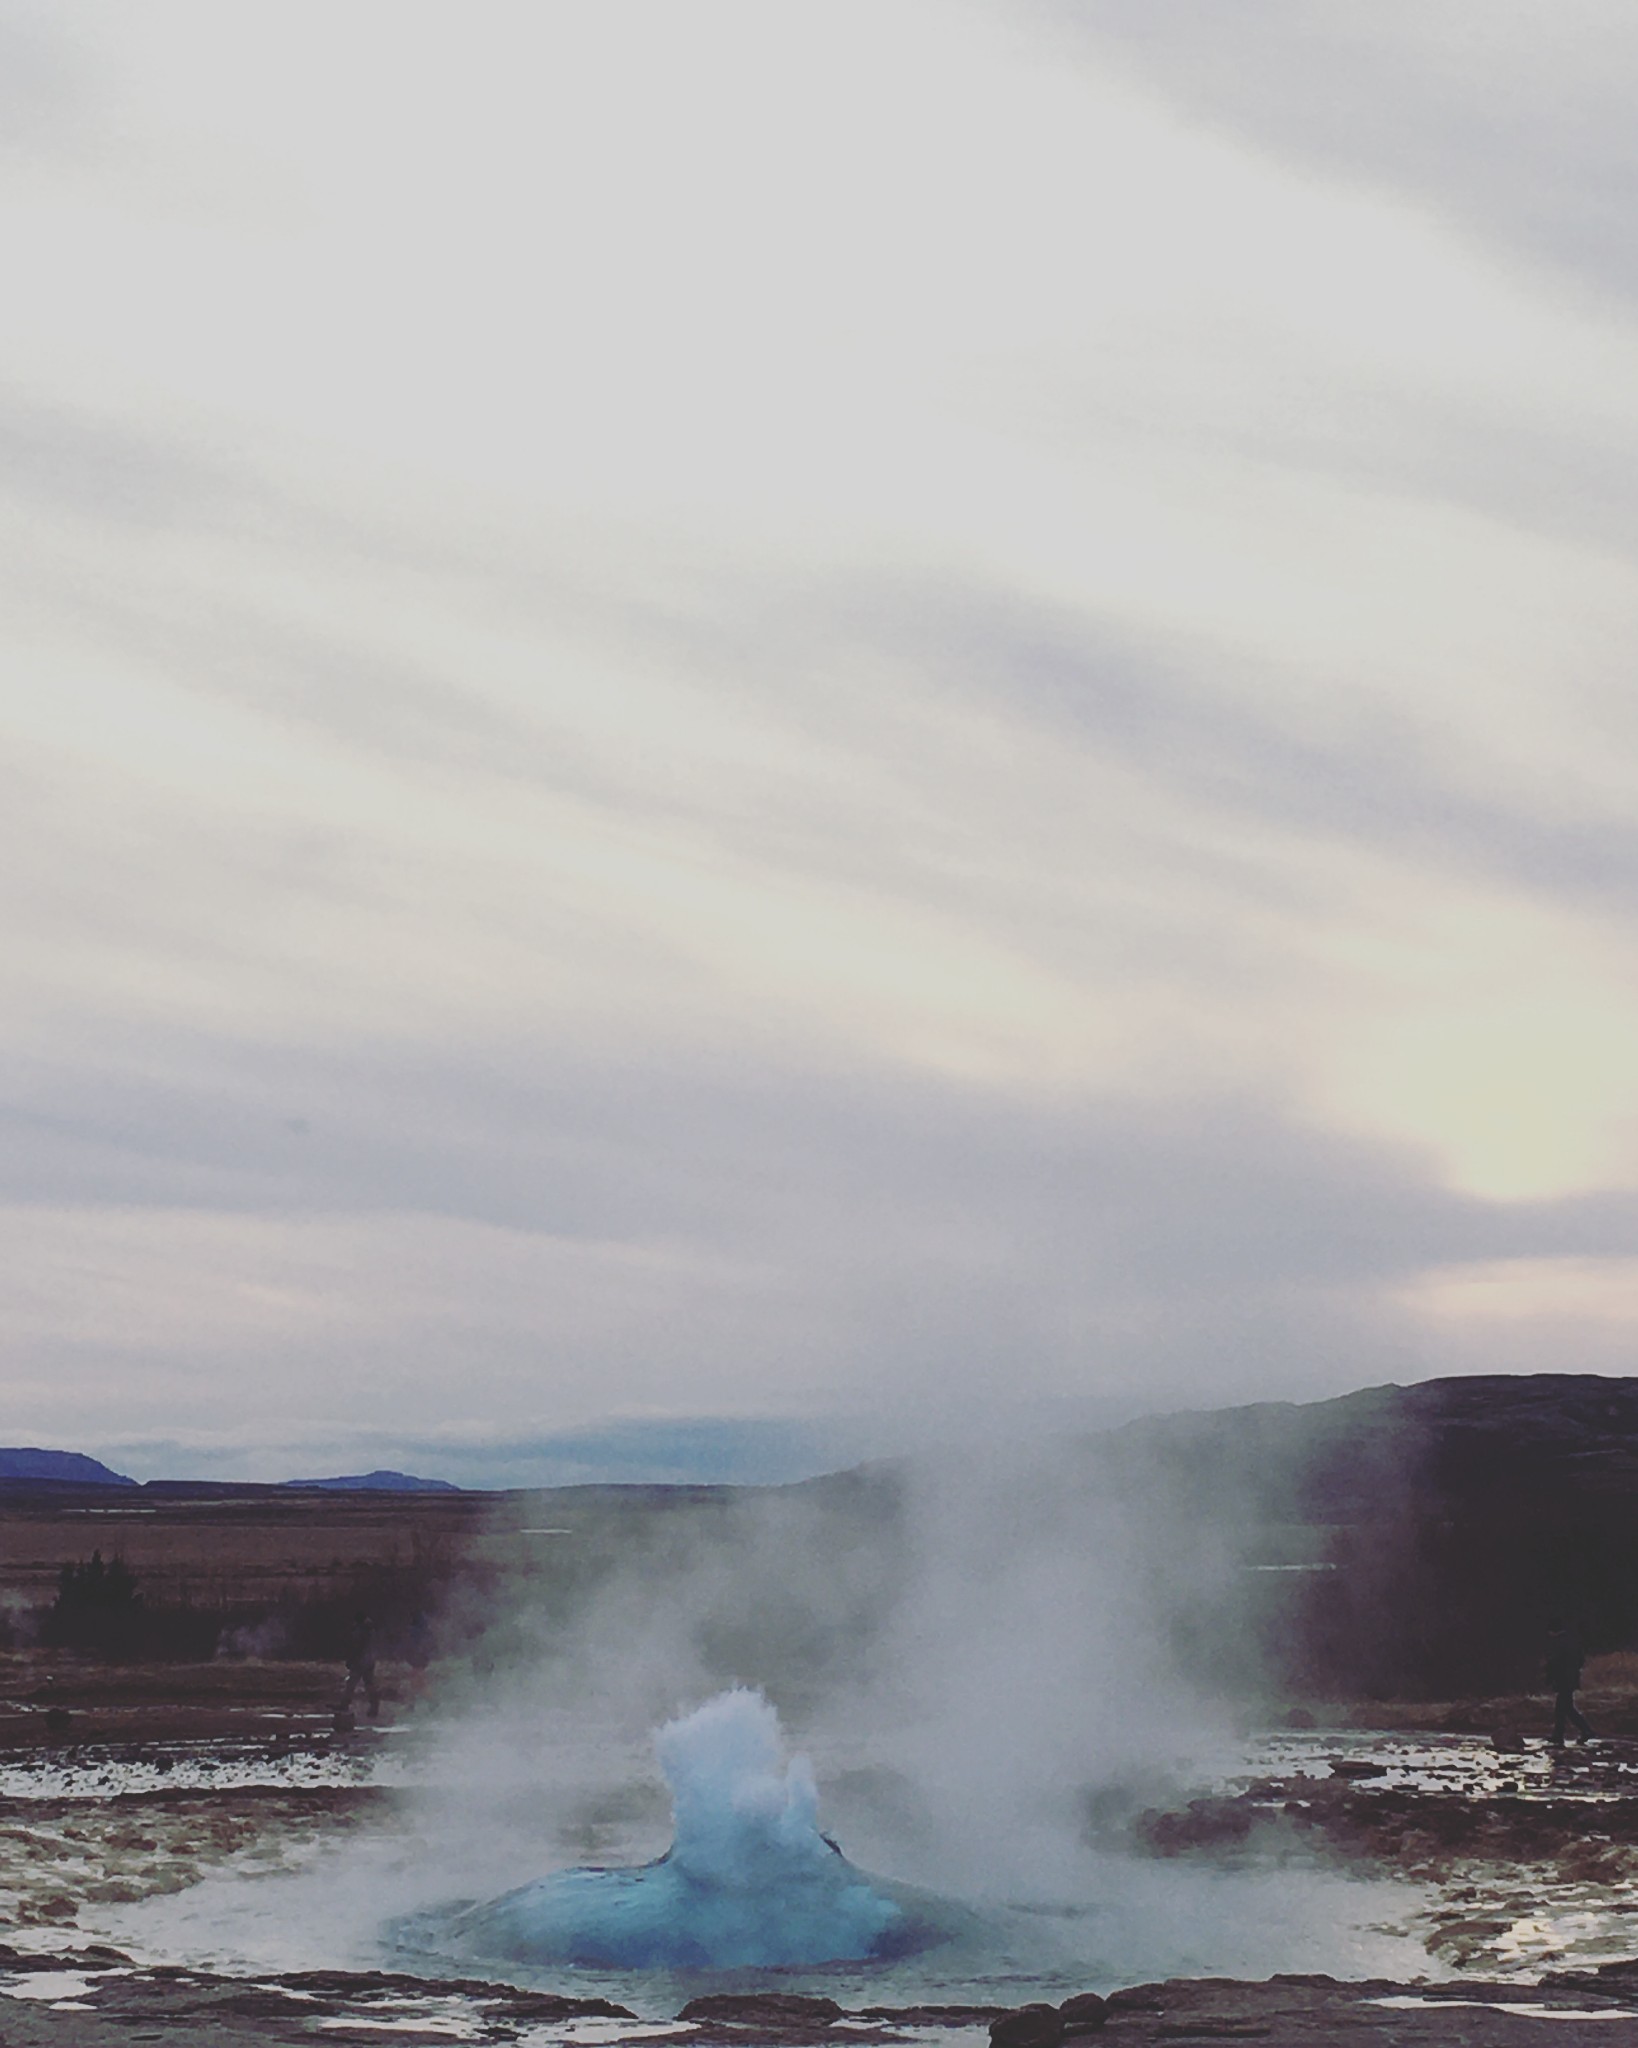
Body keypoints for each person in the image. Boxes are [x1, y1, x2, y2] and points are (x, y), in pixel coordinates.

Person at [1545, 1616, 1592, 1747]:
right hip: (1571, 1679)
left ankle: (1585, 1730)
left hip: (1563, 1680)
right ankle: (1559, 1734)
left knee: (1564, 1708)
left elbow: (1554, 1663)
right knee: (1565, 1707)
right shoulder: (1572, 1641)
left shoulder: (1559, 1643)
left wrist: (1549, 1677)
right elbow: (1581, 1660)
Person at [339, 1608, 381, 1719]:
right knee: (369, 1684)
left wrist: (350, 1660)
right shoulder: (371, 1630)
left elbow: (356, 1648)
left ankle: (344, 1705)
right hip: (370, 1661)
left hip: (359, 1662)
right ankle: (374, 1707)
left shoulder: (359, 1631)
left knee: (351, 1684)